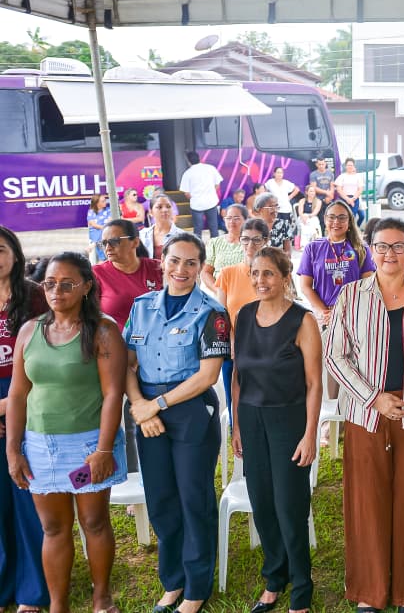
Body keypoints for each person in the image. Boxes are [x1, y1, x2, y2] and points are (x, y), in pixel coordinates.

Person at [324, 217, 404, 613]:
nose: (390, 254)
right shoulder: (351, 295)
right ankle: (370, 591)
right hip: (368, 414)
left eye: (398, 246)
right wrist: (372, 397)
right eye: (382, 246)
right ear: (370, 250)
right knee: (367, 501)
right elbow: (335, 355)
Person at [6, 252, 127, 613]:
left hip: (89, 443)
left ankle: (101, 597)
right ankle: (58, 605)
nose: (57, 290)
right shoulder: (31, 330)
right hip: (41, 445)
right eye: (50, 283)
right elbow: (17, 394)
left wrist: (104, 450)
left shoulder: (103, 331)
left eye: (67, 283)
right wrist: (14, 449)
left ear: (86, 287)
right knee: (54, 528)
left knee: (93, 521)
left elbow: (112, 395)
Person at [124, 233, 230, 613]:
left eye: (190, 263)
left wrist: (158, 405)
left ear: (201, 266)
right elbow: (128, 363)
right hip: (148, 408)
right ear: (161, 261)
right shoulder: (142, 307)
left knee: (193, 498)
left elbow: (207, 376)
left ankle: (196, 587)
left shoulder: (211, 312)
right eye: (174, 260)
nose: (181, 269)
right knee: (162, 498)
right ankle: (172, 582)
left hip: (189, 410)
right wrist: (139, 404)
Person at [231, 248, 322, 613]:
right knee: (263, 504)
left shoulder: (303, 320)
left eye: (268, 273)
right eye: (254, 273)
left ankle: (301, 584)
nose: (259, 281)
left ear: (285, 277)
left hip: (289, 420)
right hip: (252, 419)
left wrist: (310, 433)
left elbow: (314, 383)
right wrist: (237, 424)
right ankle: (274, 577)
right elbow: (238, 376)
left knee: (290, 506)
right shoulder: (244, 315)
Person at [0, 228, 49, 613]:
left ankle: (33, 591)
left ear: (15, 255)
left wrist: (8, 408)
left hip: (29, 396)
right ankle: (4, 584)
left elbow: (47, 358)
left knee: (27, 499)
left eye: (1, 249)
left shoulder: (33, 296)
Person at [93, 219, 164, 471]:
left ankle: (151, 473)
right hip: (112, 358)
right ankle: (131, 476)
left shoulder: (156, 269)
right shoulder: (97, 273)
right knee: (121, 417)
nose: (108, 247)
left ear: (135, 242)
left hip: (156, 357)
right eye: (104, 243)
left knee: (148, 416)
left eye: (115, 241)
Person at [215, 218, 270, 415]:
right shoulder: (227, 273)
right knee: (235, 403)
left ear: (265, 241)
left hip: (267, 347)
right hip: (234, 348)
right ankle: (237, 438)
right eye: (245, 239)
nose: (250, 245)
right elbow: (221, 315)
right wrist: (231, 341)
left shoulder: (272, 275)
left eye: (256, 240)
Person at [298, 201, 375, 327]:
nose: (336, 221)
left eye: (342, 217)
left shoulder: (361, 248)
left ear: (349, 221)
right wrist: (325, 312)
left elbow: (367, 284)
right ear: (325, 219)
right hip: (325, 317)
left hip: (354, 314)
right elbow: (305, 286)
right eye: (332, 217)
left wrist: (346, 312)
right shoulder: (312, 248)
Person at [202, 203, 249, 291]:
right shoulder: (215, 242)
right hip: (217, 290)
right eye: (228, 218)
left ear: (246, 220)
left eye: (236, 218)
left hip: (242, 291)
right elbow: (206, 272)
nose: (232, 222)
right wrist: (217, 291)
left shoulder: (251, 243)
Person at [179, 151, 223, 238]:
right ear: (199, 158)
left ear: (188, 161)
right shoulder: (210, 168)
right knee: (214, 228)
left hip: (197, 205)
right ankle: (216, 248)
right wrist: (210, 193)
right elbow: (217, 185)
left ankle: (198, 249)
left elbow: (187, 193)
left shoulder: (187, 173)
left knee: (198, 229)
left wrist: (196, 197)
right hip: (211, 202)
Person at [140, 194, 186, 262]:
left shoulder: (183, 236)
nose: (165, 210)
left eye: (168, 206)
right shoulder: (142, 234)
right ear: (150, 212)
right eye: (159, 207)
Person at [332, 158, 365, 225]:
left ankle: (354, 232)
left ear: (354, 166)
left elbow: (360, 189)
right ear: (345, 166)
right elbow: (339, 189)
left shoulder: (358, 177)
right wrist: (348, 199)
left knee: (352, 217)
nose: (350, 167)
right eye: (348, 165)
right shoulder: (342, 176)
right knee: (344, 217)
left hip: (354, 199)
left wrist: (353, 199)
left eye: (351, 165)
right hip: (344, 199)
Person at [292, 183, 324, 248]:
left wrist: (308, 217)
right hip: (302, 217)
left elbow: (315, 213)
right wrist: (303, 217)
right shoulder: (302, 200)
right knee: (304, 225)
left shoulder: (318, 201)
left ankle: (315, 244)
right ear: (306, 192)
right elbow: (300, 212)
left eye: (314, 191)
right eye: (311, 191)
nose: (312, 193)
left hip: (312, 217)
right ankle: (304, 245)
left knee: (312, 224)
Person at [86, 194, 112, 263]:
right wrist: (103, 227)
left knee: (103, 234)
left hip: (104, 234)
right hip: (95, 233)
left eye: (105, 200)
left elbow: (109, 222)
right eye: (103, 201)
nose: (105, 202)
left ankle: (94, 244)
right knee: (101, 235)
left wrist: (104, 228)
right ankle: (95, 244)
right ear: (97, 203)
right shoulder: (91, 211)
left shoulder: (108, 210)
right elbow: (93, 224)